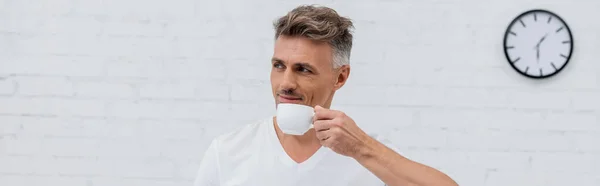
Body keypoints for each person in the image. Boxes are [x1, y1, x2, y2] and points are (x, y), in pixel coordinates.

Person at [193, 4, 459, 186]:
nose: (286, 83)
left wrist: (361, 149)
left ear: (340, 77)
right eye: (278, 66)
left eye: (303, 69)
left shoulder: (366, 153)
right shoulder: (228, 152)